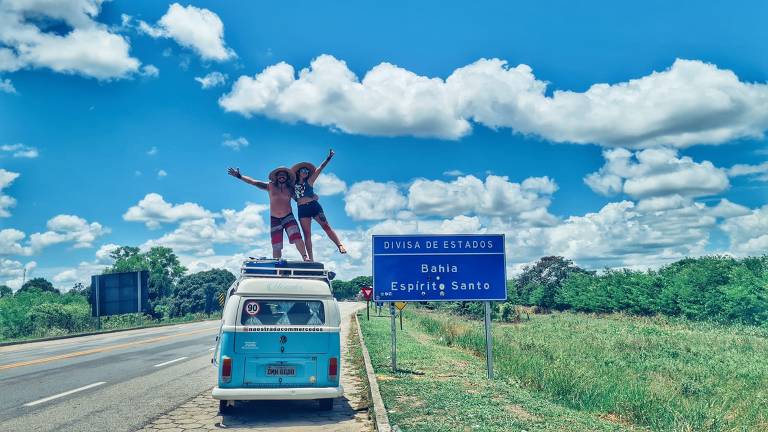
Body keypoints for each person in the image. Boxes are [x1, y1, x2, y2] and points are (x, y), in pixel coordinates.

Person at [227, 166, 310, 261]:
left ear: (287, 177)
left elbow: (300, 199)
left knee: (297, 237)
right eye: (280, 175)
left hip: (288, 217)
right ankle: (277, 264)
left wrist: (311, 197)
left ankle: (305, 257)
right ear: (276, 177)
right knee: (276, 245)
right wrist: (239, 176)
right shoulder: (269, 186)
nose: (282, 176)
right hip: (275, 219)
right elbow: (253, 182)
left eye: (284, 175)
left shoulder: (290, 189)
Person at [291, 149, 347, 261]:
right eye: (303, 170)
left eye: (307, 171)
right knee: (307, 234)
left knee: (326, 226)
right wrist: (302, 199)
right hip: (302, 210)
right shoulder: (292, 184)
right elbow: (293, 196)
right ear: (298, 172)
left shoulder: (310, 181)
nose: (306, 172)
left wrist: (329, 158)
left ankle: (339, 245)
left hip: (314, 207)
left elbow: (320, 169)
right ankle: (310, 259)